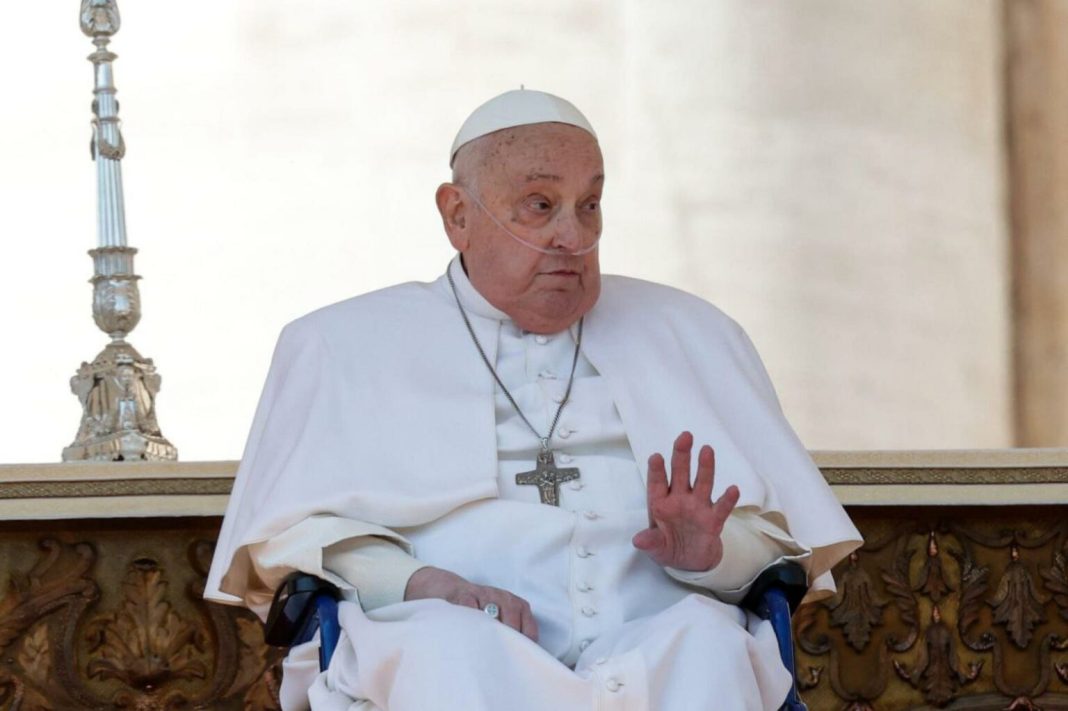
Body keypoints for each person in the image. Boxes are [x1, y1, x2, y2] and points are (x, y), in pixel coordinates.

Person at [206, 89, 861, 711]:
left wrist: (712, 554)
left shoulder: (692, 332)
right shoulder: (341, 343)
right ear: (457, 215)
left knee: (711, 642)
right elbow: (293, 541)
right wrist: (418, 584)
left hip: (656, 642)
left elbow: (779, 550)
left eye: (590, 205)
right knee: (446, 650)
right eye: (540, 206)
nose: (572, 238)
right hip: (448, 636)